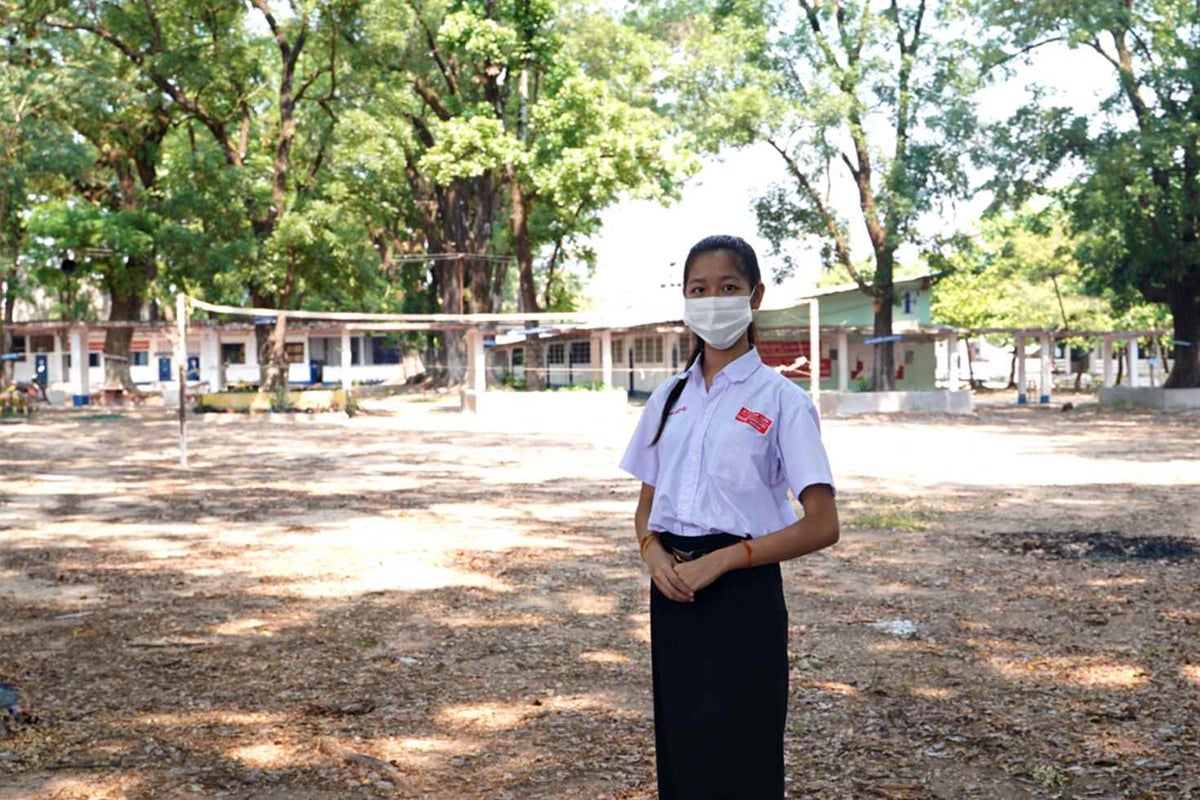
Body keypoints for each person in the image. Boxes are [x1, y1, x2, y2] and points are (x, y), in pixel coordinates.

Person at [619, 235, 840, 799]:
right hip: (673, 593)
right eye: (699, 289)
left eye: (728, 287)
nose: (712, 300)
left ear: (755, 296)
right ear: (685, 301)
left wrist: (723, 562)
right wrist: (651, 554)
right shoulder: (668, 397)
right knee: (683, 744)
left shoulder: (782, 401)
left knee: (742, 748)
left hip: (742, 592)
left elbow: (821, 523)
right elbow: (647, 505)